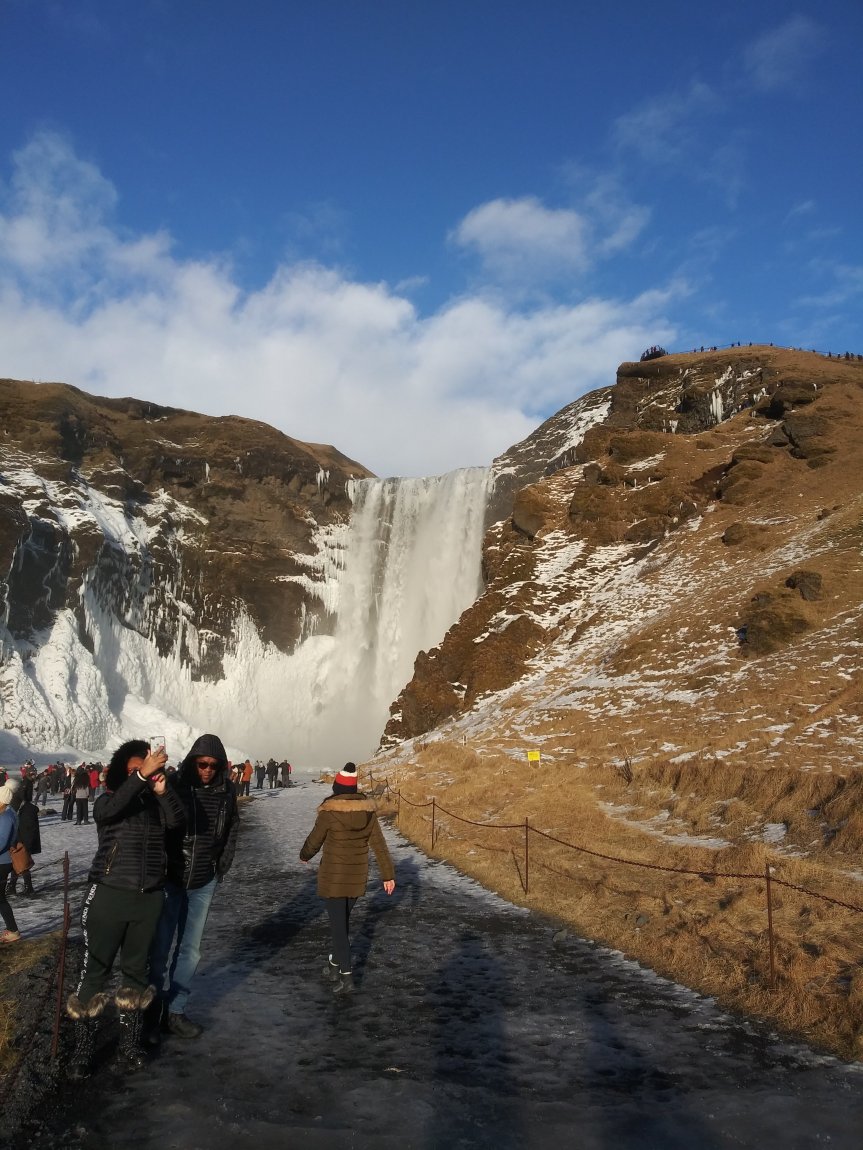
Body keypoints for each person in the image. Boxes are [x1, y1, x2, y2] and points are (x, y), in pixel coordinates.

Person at [65, 740, 183, 1080]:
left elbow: (178, 821)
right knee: (95, 971)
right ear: (122, 773)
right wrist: (140, 776)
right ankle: (83, 1050)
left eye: (145, 769)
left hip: (148, 899)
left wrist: (162, 790)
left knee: (136, 973)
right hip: (109, 894)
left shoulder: (157, 804)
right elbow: (107, 812)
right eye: (133, 771)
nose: (141, 775)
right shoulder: (108, 800)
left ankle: (129, 1046)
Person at [148, 734, 239, 1041]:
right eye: (202, 764)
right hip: (171, 878)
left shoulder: (227, 791)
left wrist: (223, 863)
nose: (207, 770)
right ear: (192, 762)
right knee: (159, 948)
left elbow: (233, 826)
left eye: (213, 765)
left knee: (190, 952)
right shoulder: (174, 784)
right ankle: (151, 1012)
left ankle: (175, 1011)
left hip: (203, 880)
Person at [299, 762, 395, 995]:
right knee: (341, 925)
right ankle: (334, 965)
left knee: (339, 930)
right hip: (356, 878)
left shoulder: (329, 812)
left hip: (333, 878)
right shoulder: (368, 812)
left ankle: (346, 976)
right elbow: (379, 845)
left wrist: (305, 855)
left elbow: (315, 840)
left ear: (337, 788)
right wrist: (388, 875)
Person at [0, 778, 23, 943]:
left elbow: (1, 841)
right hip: (2, 861)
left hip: (2, 862)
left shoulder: (6, 816)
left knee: (0, 899)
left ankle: (13, 930)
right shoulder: (7, 813)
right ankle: (12, 929)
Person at [9, 789, 41, 898]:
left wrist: (26, 845)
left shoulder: (27, 810)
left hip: (23, 841)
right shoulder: (21, 808)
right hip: (19, 840)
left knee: (22, 864)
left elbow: (29, 829)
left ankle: (28, 887)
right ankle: (12, 886)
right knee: (16, 863)